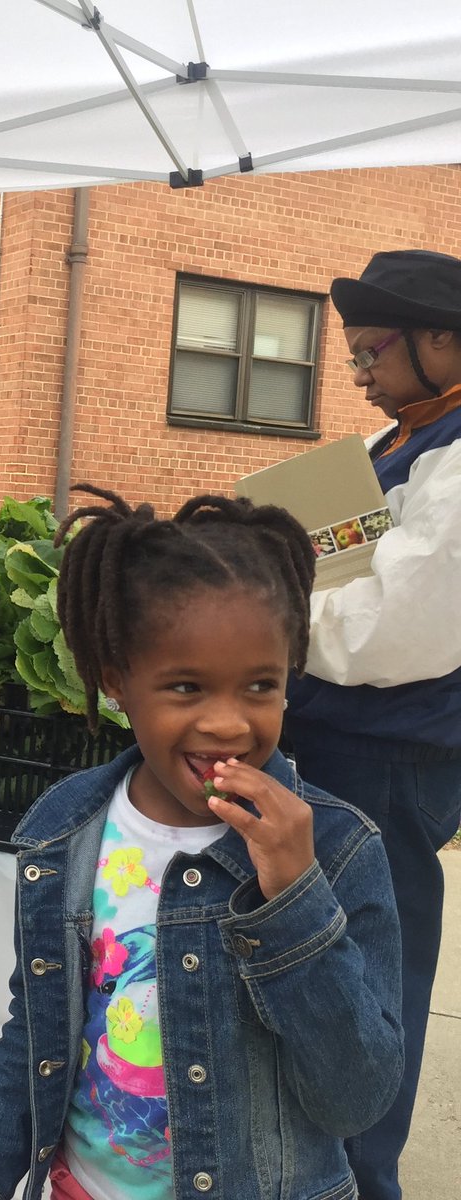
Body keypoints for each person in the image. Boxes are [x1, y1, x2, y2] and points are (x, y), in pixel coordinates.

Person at [0, 485, 403, 1200]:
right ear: (117, 682)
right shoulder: (66, 832)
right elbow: (38, 1042)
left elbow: (356, 1098)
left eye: (260, 686)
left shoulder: (337, 850)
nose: (230, 724)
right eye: (186, 688)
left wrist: (295, 900)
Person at [283, 248, 461, 1200]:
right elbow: (333, 563)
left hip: (390, 753)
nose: (356, 370)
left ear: (444, 340)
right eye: (350, 352)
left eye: (372, 349)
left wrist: (268, 619)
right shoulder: (401, 444)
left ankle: (361, 1177)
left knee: (371, 976)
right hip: (339, 736)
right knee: (327, 955)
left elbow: (395, 627)